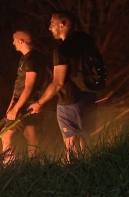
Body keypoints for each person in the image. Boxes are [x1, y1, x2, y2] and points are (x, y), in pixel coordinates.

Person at [28, 10, 98, 162]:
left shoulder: (62, 50)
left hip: (69, 101)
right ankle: (91, 170)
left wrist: (39, 103)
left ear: (62, 25)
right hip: (90, 95)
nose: (49, 28)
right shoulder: (87, 40)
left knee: (70, 145)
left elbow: (58, 82)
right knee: (87, 140)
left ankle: (73, 174)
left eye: (52, 24)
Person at [1, 30, 51, 160]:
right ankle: (33, 163)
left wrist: (16, 108)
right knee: (30, 133)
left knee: (5, 135)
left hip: (25, 103)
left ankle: (8, 163)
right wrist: (11, 104)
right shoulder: (27, 58)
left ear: (21, 42)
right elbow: (19, 83)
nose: (13, 43)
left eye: (14, 40)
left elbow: (28, 87)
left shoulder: (31, 60)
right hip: (25, 101)